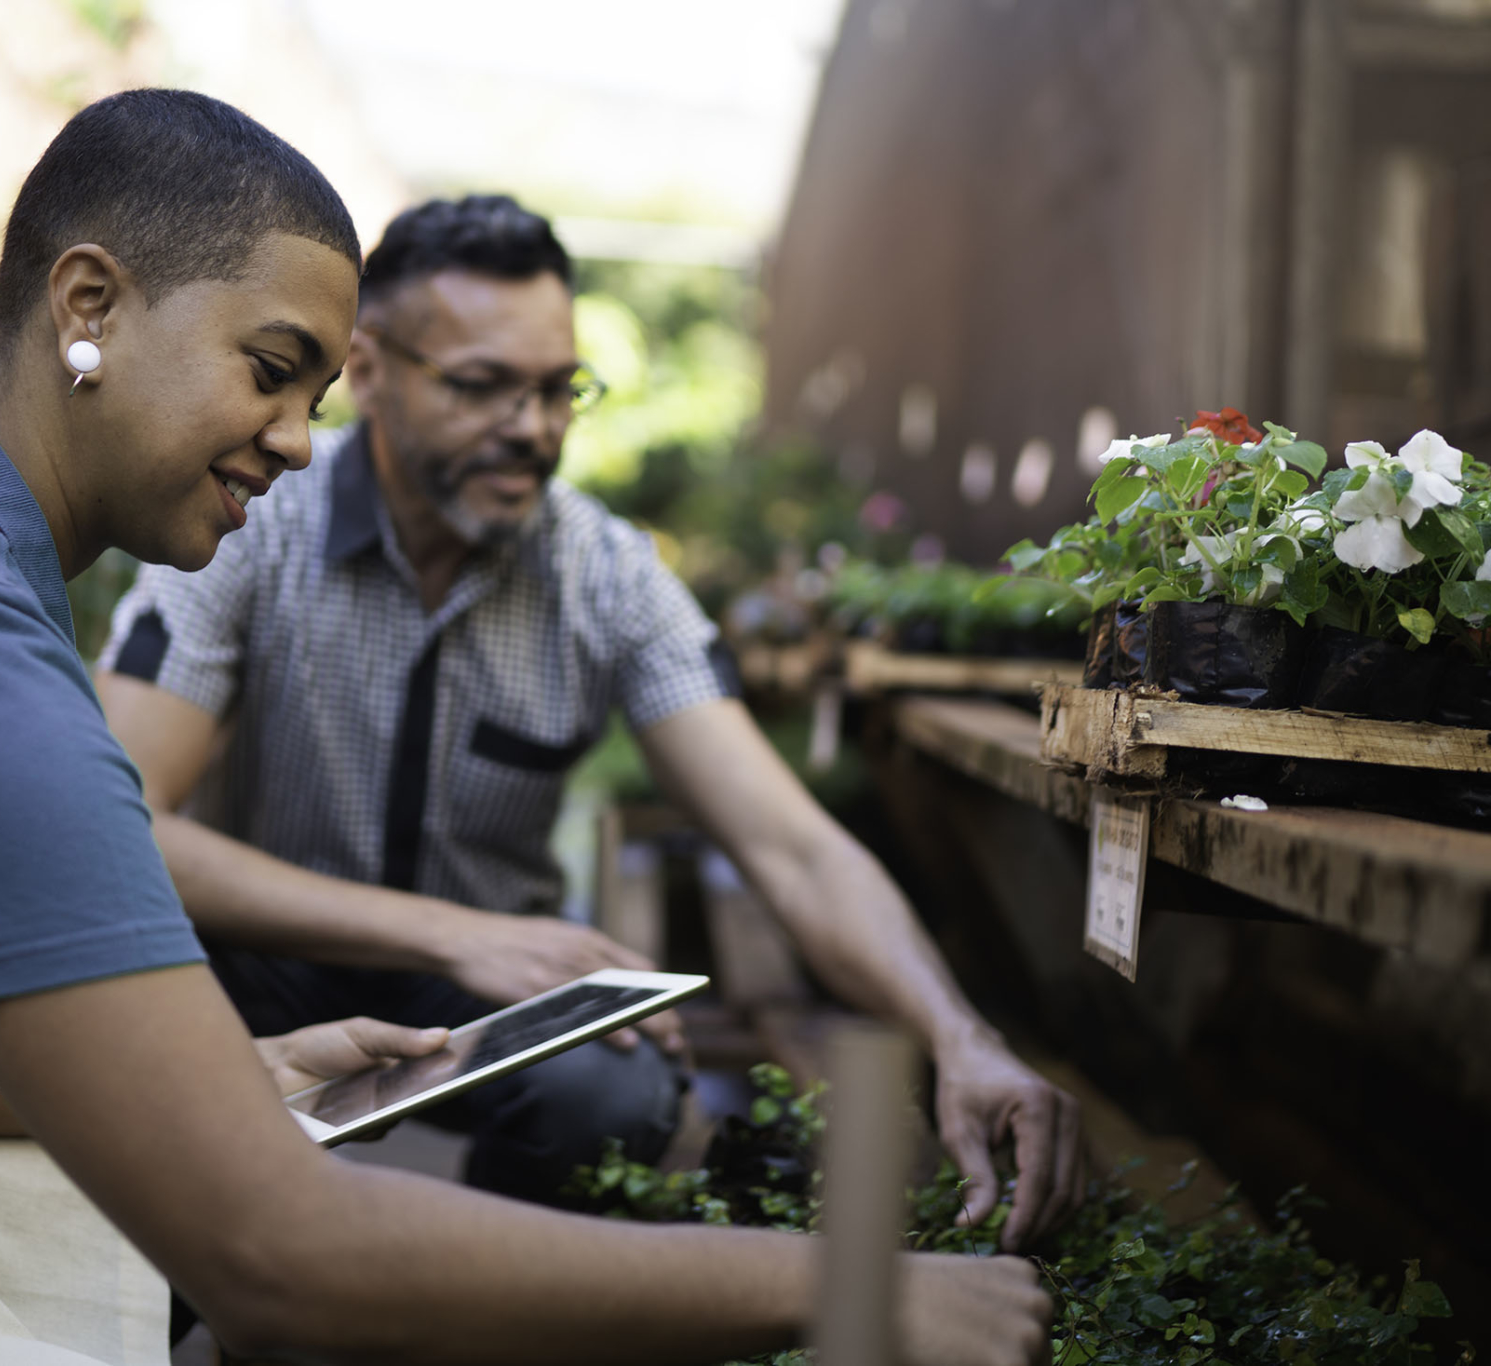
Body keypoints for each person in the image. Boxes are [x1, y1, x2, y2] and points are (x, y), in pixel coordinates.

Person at [0, 91, 1050, 1365]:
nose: (291, 440)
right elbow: (276, 1257)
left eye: (313, 399)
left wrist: (241, 1075)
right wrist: (842, 1290)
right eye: (273, 373)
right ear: (91, 303)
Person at [98, 194, 1085, 1243]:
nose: (528, 429)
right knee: (124, 1068)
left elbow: (788, 846)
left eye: (555, 390)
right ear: (371, 368)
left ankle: (465, 1309)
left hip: (489, 996)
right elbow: (117, 826)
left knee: (610, 1100)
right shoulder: (251, 525)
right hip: (255, 953)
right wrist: (458, 932)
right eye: (481, 387)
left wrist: (957, 1037)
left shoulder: (608, 576)